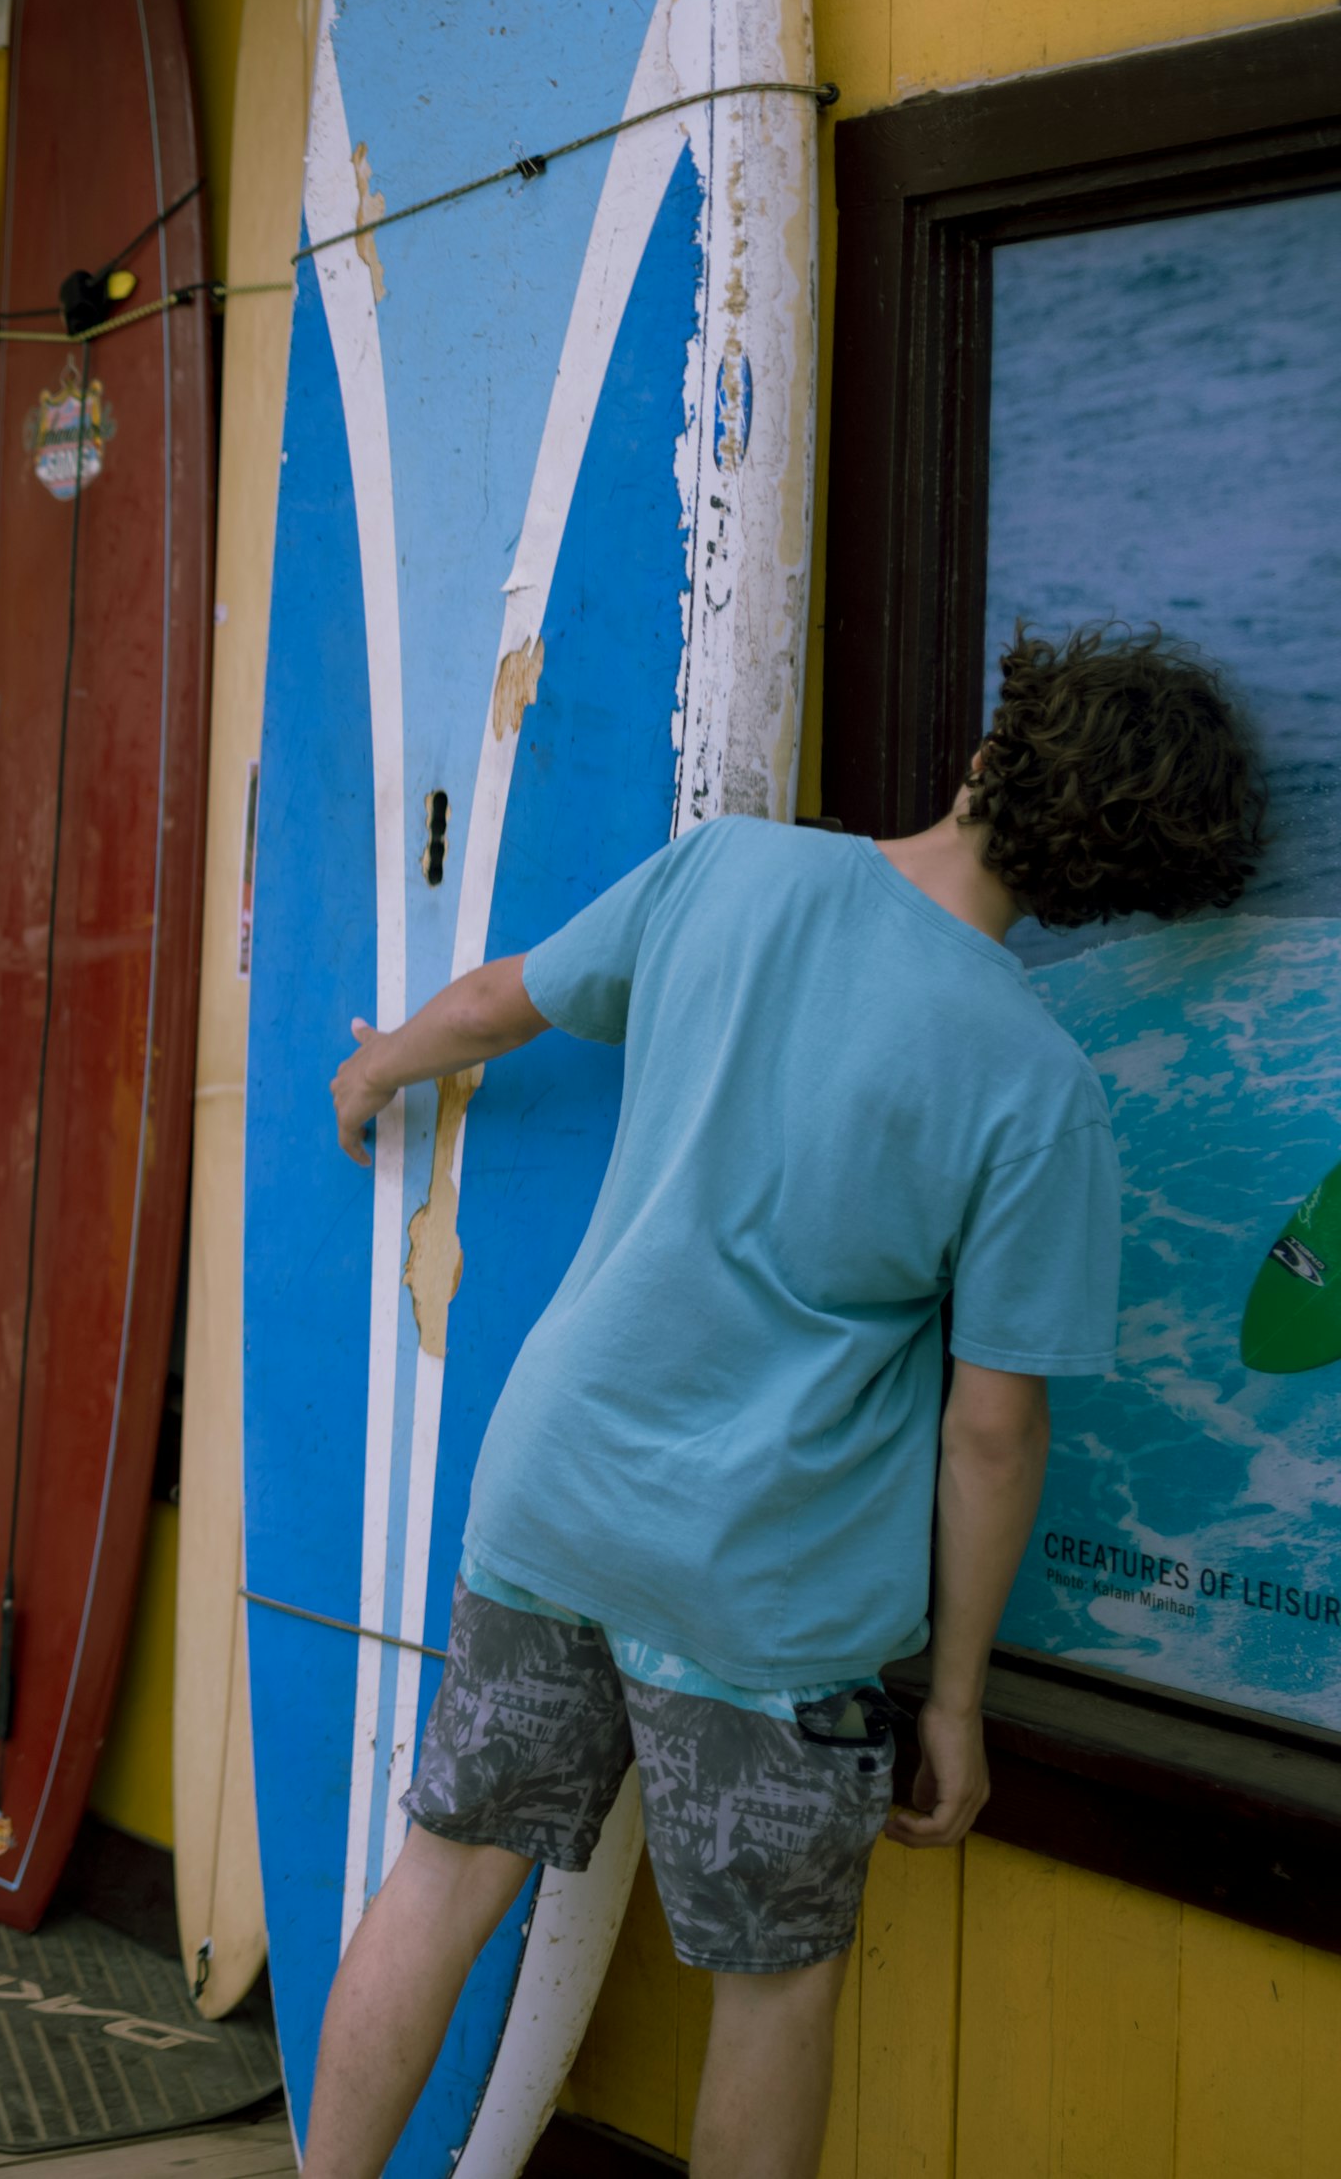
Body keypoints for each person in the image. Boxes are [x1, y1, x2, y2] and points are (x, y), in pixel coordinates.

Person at [302, 627, 1266, 2179]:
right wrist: (951, 1696)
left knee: (446, 1871)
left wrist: (371, 1078)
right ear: (1107, 888)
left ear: (986, 750)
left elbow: (495, 1000)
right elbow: (991, 1430)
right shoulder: (1036, 1088)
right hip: (763, 1584)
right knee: (772, 1989)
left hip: (551, 1493)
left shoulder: (727, 870)